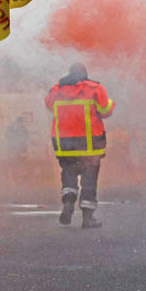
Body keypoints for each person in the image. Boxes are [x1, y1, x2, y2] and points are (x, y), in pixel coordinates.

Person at [45, 63, 114, 229]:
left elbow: (48, 105)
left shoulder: (56, 90)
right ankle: (88, 218)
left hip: (65, 145)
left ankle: (68, 203)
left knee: (68, 174)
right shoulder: (95, 88)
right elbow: (106, 110)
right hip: (89, 146)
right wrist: (110, 102)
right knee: (89, 179)